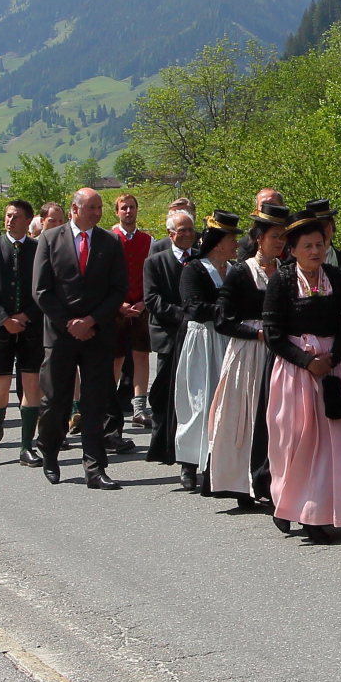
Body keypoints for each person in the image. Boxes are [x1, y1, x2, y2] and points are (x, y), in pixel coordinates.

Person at [263, 209, 341, 539]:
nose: (315, 251)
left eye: (320, 244)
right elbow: (273, 334)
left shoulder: (336, 277)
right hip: (295, 373)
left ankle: (322, 512)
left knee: (334, 444)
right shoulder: (282, 280)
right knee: (295, 440)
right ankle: (287, 502)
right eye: (308, 246)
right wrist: (305, 360)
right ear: (294, 250)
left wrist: (335, 356)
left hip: (332, 370)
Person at [31, 187, 129, 489]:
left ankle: (95, 468)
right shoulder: (49, 239)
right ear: (74, 209)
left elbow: (117, 290)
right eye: (91, 207)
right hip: (60, 336)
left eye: (99, 207)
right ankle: (49, 450)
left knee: (95, 402)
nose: (97, 213)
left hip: (97, 335)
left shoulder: (110, 242)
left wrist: (90, 321)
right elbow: (41, 290)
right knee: (55, 401)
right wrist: (69, 323)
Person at [205, 209, 289, 512]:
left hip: (281, 351)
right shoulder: (242, 272)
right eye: (274, 236)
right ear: (258, 239)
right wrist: (256, 334)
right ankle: (242, 483)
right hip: (249, 353)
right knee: (246, 417)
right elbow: (222, 319)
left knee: (278, 418)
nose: (280, 242)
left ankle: (274, 481)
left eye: (283, 236)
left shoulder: (288, 270)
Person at [173, 212, 241, 491]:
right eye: (231, 239)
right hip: (202, 340)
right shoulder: (194, 269)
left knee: (225, 405)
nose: (236, 244)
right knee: (199, 404)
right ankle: (189, 463)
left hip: (228, 339)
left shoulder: (235, 270)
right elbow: (194, 307)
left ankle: (218, 464)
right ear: (217, 243)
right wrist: (228, 312)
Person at [0, 199, 44, 465]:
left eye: (16, 216)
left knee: (31, 386)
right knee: (0, 387)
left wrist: (26, 316)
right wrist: (4, 319)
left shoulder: (39, 249)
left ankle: (27, 446)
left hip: (30, 327)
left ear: (28, 220)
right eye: (7, 215)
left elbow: (44, 290)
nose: (10, 220)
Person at [143, 208, 197, 467]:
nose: (187, 235)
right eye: (182, 230)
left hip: (198, 338)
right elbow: (152, 299)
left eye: (190, 230)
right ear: (170, 234)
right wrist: (181, 316)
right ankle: (164, 448)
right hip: (168, 337)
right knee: (165, 396)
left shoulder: (201, 260)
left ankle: (191, 461)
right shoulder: (155, 261)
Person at [110, 193, 156, 441]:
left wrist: (142, 302)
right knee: (115, 360)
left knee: (141, 356)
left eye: (132, 207)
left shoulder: (147, 240)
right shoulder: (109, 238)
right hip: (116, 308)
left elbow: (150, 276)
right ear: (116, 212)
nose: (128, 211)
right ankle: (110, 406)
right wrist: (119, 304)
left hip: (140, 306)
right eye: (123, 208)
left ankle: (139, 408)